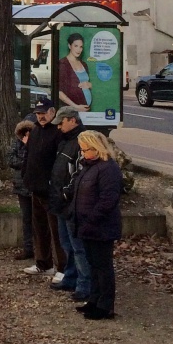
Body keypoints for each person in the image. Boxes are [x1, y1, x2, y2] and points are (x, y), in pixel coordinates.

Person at [67, 130, 123, 320]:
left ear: (96, 148)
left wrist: (91, 219)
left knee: (103, 266)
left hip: (100, 226)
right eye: (82, 150)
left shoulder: (108, 169)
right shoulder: (89, 166)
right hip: (87, 224)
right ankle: (94, 299)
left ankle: (105, 305)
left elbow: (108, 200)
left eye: (85, 150)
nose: (83, 153)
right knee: (93, 265)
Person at [21, 99, 66, 279]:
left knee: (56, 231)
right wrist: (26, 176)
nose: (41, 116)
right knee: (39, 228)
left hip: (50, 190)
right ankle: (43, 263)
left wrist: (53, 184)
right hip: (35, 187)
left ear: (52, 112)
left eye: (44, 112)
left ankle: (63, 267)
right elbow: (29, 155)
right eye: (38, 113)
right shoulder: (36, 131)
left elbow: (59, 162)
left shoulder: (57, 133)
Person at [49, 107, 91, 300]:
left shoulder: (81, 142)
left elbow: (80, 173)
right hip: (61, 200)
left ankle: (84, 285)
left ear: (72, 120)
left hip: (71, 203)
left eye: (61, 122)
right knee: (67, 244)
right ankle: (71, 277)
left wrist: (67, 195)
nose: (59, 127)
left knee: (78, 247)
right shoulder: (66, 140)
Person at [9, 120, 34, 261]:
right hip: (21, 186)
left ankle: (41, 248)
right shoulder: (17, 143)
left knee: (38, 219)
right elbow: (11, 160)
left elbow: (36, 160)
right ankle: (28, 248)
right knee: (26, 218)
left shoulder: (36, 144)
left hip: (35, 187)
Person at [58, 33, 93, 110]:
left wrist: (90, 85)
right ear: (69, 46)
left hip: (86, 109)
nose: (78, 50)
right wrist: (76, 107)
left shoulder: (84, 64)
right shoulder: (63, 64)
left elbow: (88, 84)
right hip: (72, 110)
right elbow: (59, 92)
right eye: (76, 46)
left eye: (81, 47)